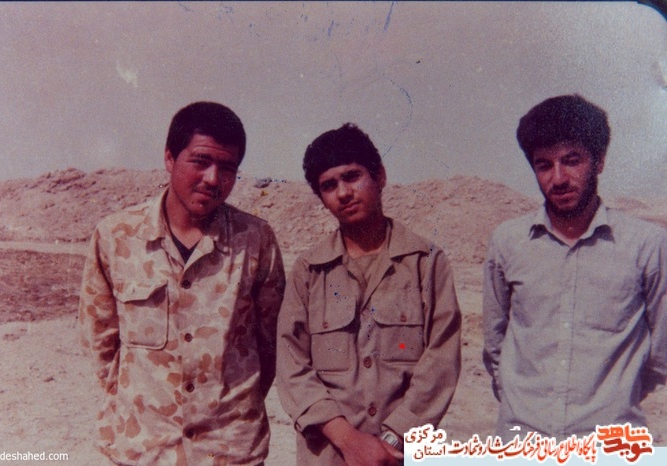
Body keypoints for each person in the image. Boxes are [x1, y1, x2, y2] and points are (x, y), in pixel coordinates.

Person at [79, 101, 286, 465]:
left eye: (227, 168)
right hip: (143, 450)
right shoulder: (116, 237)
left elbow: (269, 343)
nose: (213, 179)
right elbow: (100, 341)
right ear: (170, 158)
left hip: (228, 452)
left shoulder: (256, 240)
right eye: (200, 161)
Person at [483, 94, 667, 441]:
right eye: (543, 165)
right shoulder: (508, 242)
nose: (558, 178)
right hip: (522, 445)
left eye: (571, 161)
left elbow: (660, 358)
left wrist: (614, 402)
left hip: (610, 447)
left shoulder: (647, 245)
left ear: (599, 161)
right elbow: (494, 346)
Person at [276, 123, 462, 465]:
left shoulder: (425, 263)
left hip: (400, 454)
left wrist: (393, 438)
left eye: (352, 176)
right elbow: (291, 364)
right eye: (329, 185)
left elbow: (441, 361)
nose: (343, 193)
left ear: (380, 176)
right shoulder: (309, 270)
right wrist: (348, 440)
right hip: (328, 454)